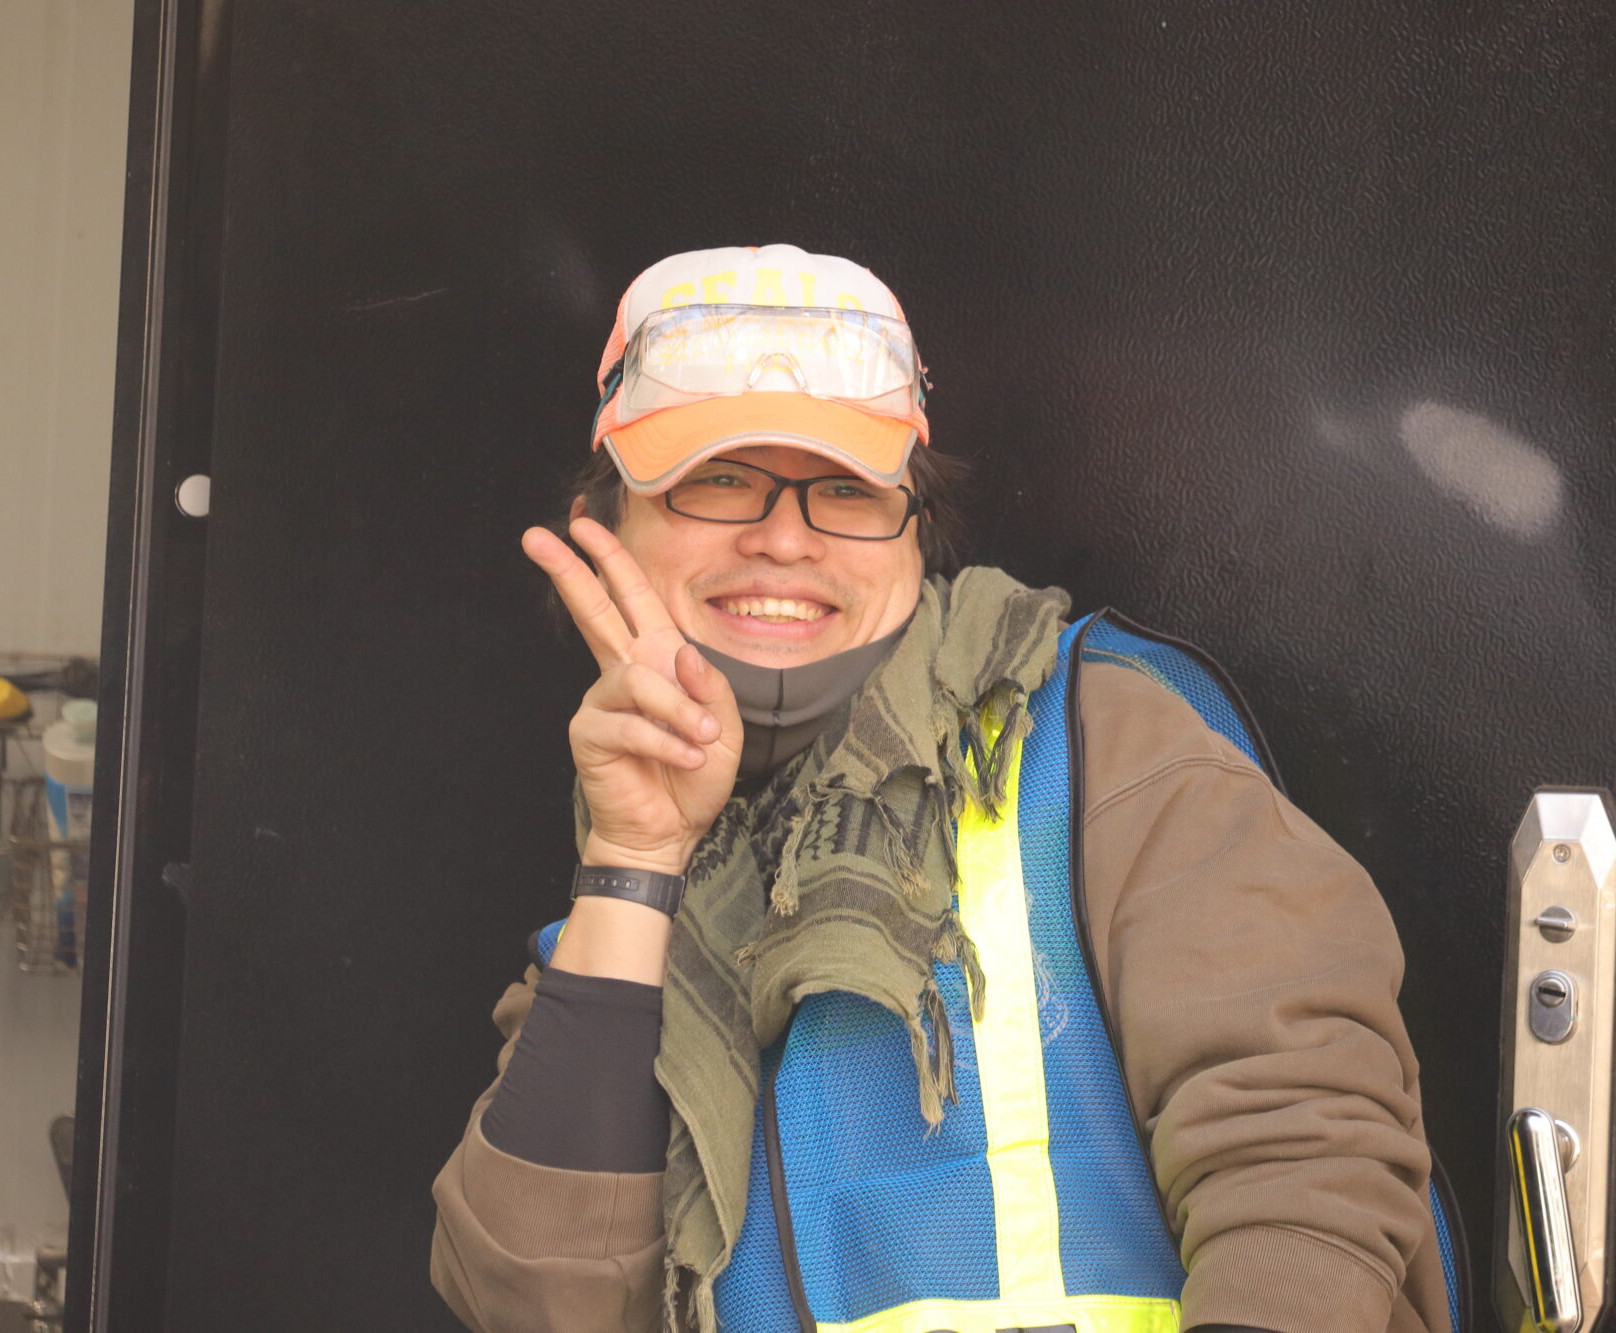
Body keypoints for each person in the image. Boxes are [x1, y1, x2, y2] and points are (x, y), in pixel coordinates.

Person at [431, 244, 1455, 1333]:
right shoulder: (620, 899)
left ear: (915, 529)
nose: (783, 536)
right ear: (605, 527)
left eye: (844, 488)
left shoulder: (1102, 744)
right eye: (717, 479)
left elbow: (1309, 1165)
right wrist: (634, 861)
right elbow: (535, 1302)